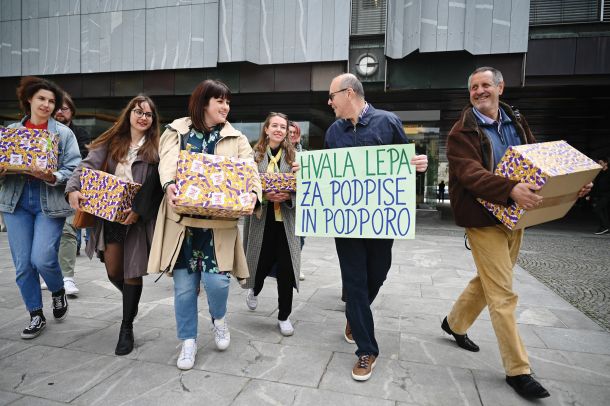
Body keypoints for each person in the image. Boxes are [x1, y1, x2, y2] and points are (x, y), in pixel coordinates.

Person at [442, 66, 592, 399]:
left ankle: (454, 322)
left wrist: (571, 184)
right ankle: (518, 370)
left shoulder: (517, 121)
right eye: (474, 87)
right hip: (482, 218)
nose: (480, 91)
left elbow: (540, 164)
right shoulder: (460, 132)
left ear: (500, 87)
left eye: (485, 85)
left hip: (514, 217)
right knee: (503, 294)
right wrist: (510, 188)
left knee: (490, 279)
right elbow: (470, 175)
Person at [147, 79, 261, 371]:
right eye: (220, 101)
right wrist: (169, 184)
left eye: (228, 102)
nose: (225, 107)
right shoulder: (177, 131)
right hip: (182, 223)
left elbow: (250, 172)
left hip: (218, 226)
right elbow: (168, 162)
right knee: (184, 289)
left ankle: (219, 319)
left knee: (217, 282)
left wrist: (253, 195)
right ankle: (188, 340)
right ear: (203, 103)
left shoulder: (236, 139)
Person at [324, 73, 428, 381]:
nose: (329, 102)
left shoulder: (388, 122)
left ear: (350, 93)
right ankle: (366, 350)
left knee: (378, 273)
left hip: (381, 222)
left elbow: (404, 167)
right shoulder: (333, 131)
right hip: (347, 222)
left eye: (332, 96)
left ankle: (356, 317)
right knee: (354, 282)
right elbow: (327, 176)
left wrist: (416, 166)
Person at [66, 95, 161, 356]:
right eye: (138, 112)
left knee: (133, 272)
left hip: (138, 219)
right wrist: (73, 188)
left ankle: (126, 326)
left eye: (148, 114)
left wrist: (139, 211)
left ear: (153, 121)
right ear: (129, 114)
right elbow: (86, 166)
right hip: (110, 216)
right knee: (113, 271)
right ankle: (132, 299)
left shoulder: (157, 149)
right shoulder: (111, 142)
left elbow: (159, 187)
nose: (143, 117)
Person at [0, 76, 80, 339]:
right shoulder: (11, 131)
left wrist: (51, 176)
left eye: (51, 101)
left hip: (49, 201)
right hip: (16, 201)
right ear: (29, 100)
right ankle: (35, 314)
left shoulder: (63, 134)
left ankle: (57, 290)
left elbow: (74, 169)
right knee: (23, 265)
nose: (47, 105)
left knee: (43, 258)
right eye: (42, 99)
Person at [243, 112, 301, 336]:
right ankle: (254, 290)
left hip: (286, 222)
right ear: (266, 129)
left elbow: (307, 187)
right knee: (259, 264)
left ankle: (284, 316)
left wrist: (288, 197)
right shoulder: (253, 157)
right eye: (274, 125)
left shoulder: (295, 157)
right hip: (262, 220)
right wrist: (265, 196)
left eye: (282, 127)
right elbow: (245, 186)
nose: (278, 129)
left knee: (286, 270)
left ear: (287, 132)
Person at [55, 92, 93, 295]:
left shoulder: (80, 133)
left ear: (72, 111)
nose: (60, 111)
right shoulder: (46, 132)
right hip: (47, 189)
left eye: (65, 108)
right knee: (50, 235)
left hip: (71, 189)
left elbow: (81, 162)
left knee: (69, 232)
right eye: (57, 108)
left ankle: (67, 277)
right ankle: (53, 274)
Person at [288, 120, 306, 281]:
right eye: (290, 132)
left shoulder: (305, 154)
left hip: (302, 204)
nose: (292, 134)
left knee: (300, 239)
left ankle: (295, 266)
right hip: (286, 202)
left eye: (295, 132)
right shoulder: (279, 152)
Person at [587, 157, 609, 235]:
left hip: (607, 195)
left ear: (606, 163)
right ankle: (605, 228)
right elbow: (595, 185)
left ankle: (605, 227)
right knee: (604, 211)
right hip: (601, 195)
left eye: (601, 163)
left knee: (597, 209)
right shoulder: (599, 173)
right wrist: (590, 195)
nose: (599, 165)